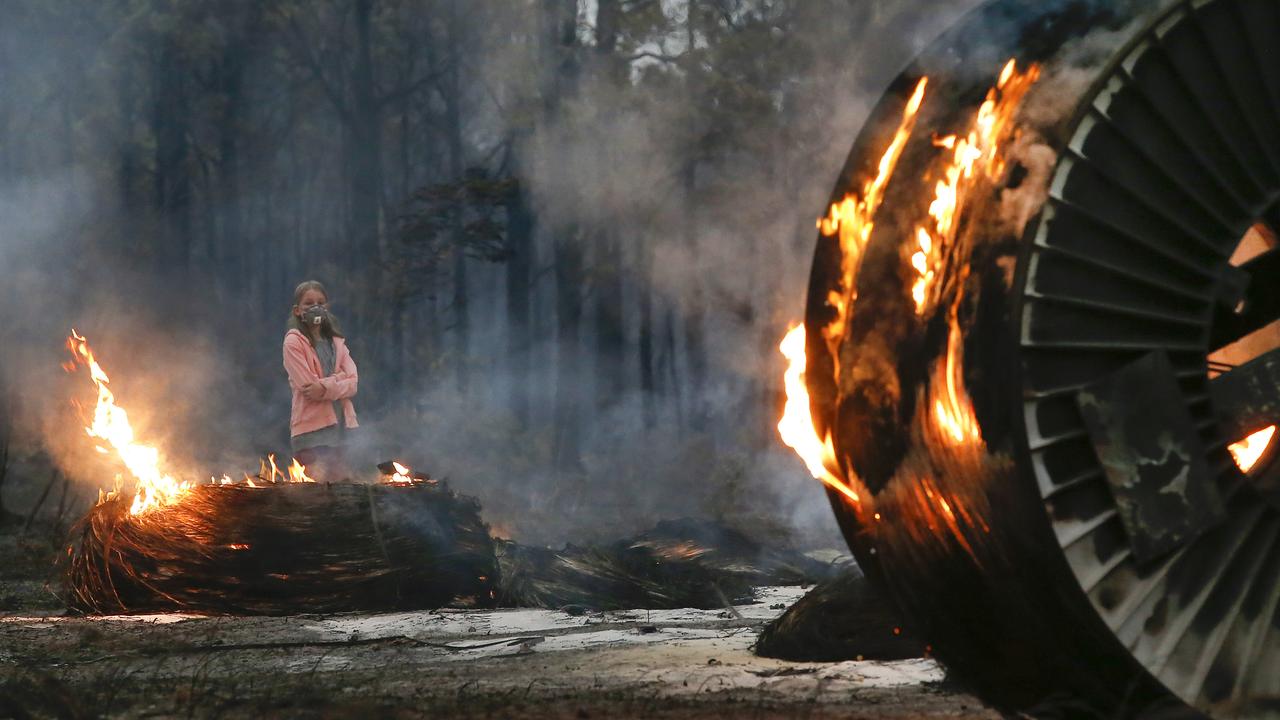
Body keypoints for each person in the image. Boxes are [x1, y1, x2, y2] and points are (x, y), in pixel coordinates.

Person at [282, 280, 358, 481]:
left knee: (341, 491)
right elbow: (308, 387)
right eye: (308, 303)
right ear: (297, 310)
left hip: (339, 428)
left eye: (320, 302)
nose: (316, 307)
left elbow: (353, 382)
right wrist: (340, 380)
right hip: (309, 431)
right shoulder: (293, 342)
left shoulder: (337, 342)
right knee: (314, 497)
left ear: (327, 307)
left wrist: (325, 386)